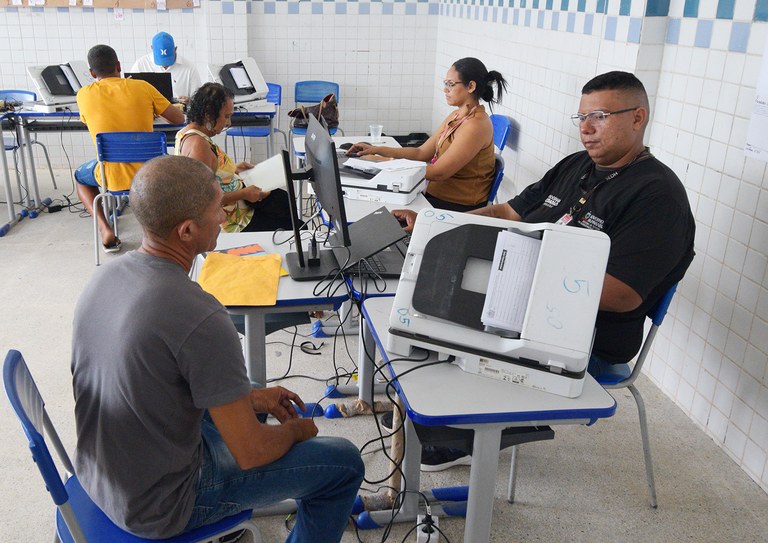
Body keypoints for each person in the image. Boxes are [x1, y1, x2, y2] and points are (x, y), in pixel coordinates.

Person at [392, 71, 695, 471]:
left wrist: (515, 278)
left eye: (600, 116)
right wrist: (441, 228)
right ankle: (440, 411)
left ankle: (463, 432)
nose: (586, 129)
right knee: (420, 307)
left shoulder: (657, 197)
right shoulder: (576, 166)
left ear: (638, 118)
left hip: (586, 338)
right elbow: (506, 212)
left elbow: (622, 294)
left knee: (456, 327)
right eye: (582, 117)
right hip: (519, 302)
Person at [71, 154, 365, 541]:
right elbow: (252, 453)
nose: (225, 218)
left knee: (252, 409)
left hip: (100, 476)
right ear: (187, 231)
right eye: (218, 209)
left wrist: (253, 399)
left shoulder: (105, 276)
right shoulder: (202, 317)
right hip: (162, 504)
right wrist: (297, 432)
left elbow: (158, 383)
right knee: (343, 462)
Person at [347, 57, 508, 212]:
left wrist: (382, 162)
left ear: (471, 86)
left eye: (451, 84)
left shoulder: (476, 125)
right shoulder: (457, 115)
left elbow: (439, 172)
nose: (445, 89)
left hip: (456, 206)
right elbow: (421, 152)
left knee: (381, 209)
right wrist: (376, 150)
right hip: (434, 194)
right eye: (445, 84)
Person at [75, 44, 185, 252]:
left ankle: (105, 229)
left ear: (91, 73)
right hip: (150, 173)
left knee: (80, 177)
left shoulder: (83, 95)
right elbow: (178, 118)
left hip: (110, 177)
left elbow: (87, 120)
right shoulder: (142, 87)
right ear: (118, 65)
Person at [176, 82, 294, 233]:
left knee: (281, 199)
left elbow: (212, 174)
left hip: (237, 203)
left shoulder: (186, 132)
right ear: (208, 115)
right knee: (288, 218)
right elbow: (204, 201)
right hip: (234, 221)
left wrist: (234, 170)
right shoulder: (199, 146)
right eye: (226, 116)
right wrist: (244, 194)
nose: (228, 122)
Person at [130, 31, 202, 101]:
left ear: (175, 49)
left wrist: (189, 101)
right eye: (161, 60)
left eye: (168, 59)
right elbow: (131, 93)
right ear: (152, 48)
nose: (165, 65)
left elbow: (198, 99)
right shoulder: (140, 65)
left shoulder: (189, 68)